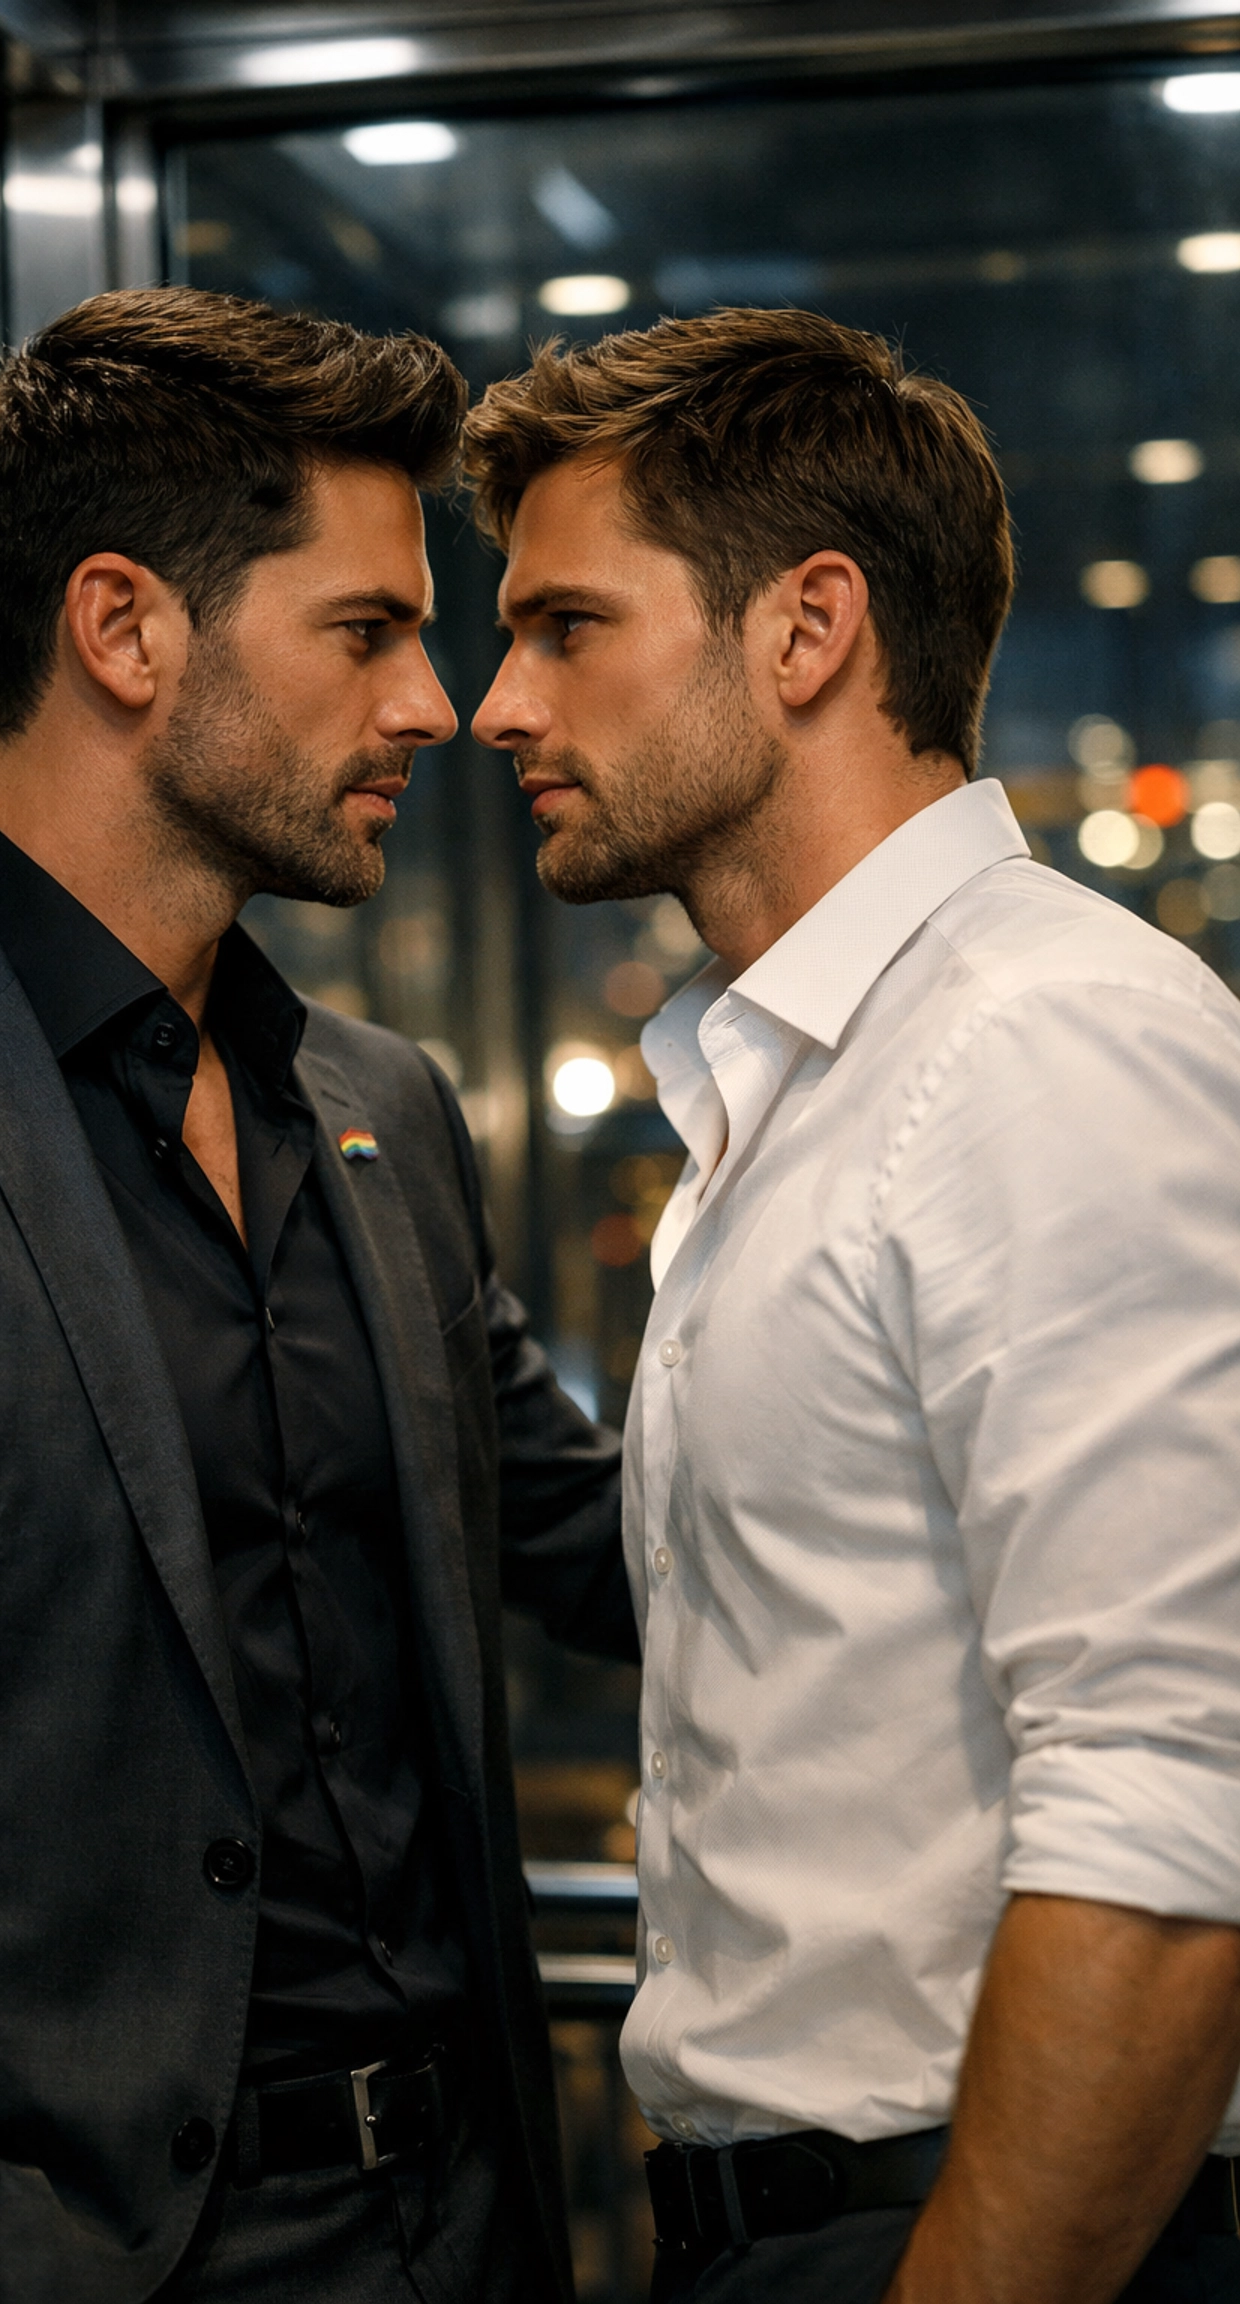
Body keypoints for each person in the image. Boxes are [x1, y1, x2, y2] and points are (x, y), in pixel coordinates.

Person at [0, 288, 634, 2304]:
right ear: (123, 630)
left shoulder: (380, 1107)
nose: (434, 704)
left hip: (463, 2232)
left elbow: (612, 1546)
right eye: (366, 630)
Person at [463, 305, 1240, 2304]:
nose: (496, 705)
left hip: (984, 2233)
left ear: (808, 630)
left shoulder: (1041, 1042)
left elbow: (1177, 1803)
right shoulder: (811, 1084)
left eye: (567, 627)